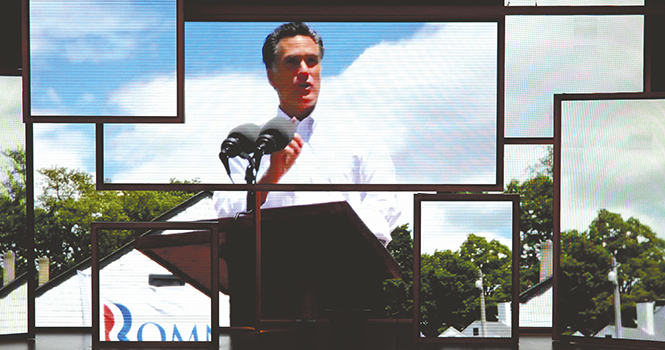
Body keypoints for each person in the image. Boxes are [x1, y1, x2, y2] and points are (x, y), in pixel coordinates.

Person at [213, 22, 401, 246]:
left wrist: (324, 237)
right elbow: (226, 209)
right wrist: (270, 177)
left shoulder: (362, 140)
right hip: (266, 267)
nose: (304, 70)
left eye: (311, 61)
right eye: (292, 61)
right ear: (271, 76)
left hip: (347, 267)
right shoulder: (247, 142)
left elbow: (385, 206)